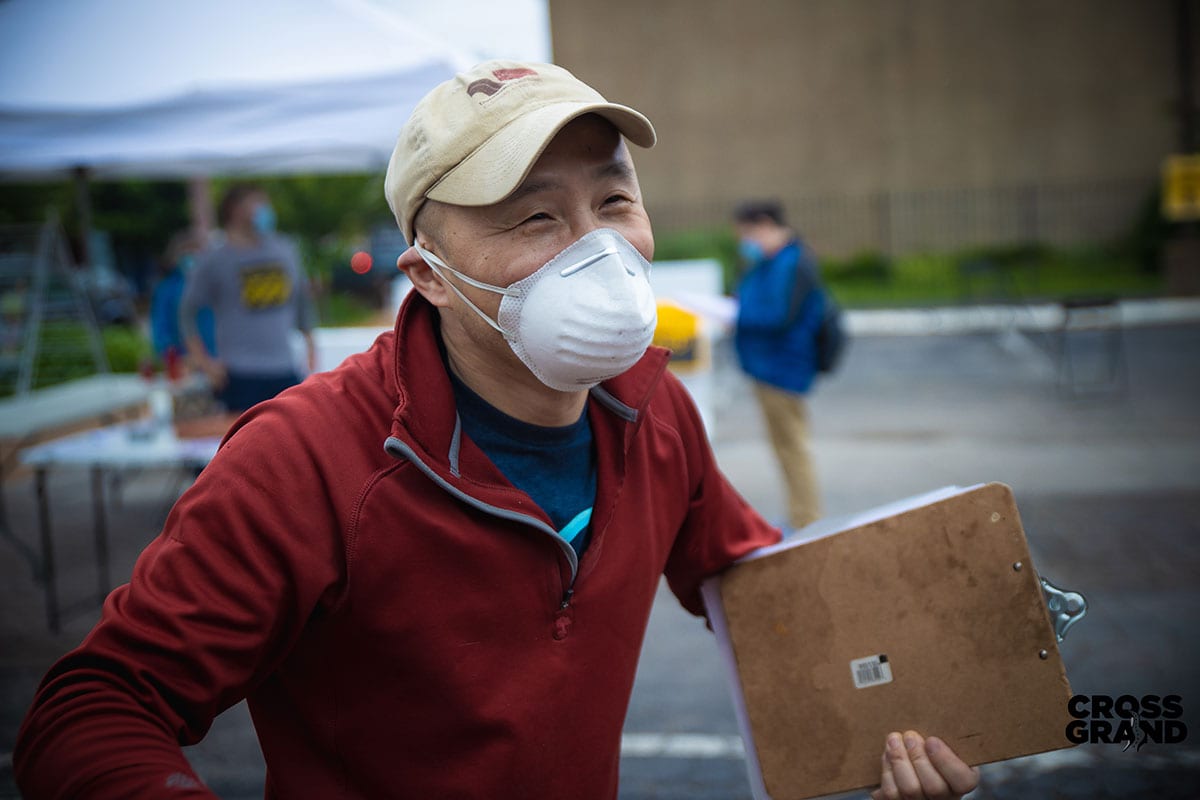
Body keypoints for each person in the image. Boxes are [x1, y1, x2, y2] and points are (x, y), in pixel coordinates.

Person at [14, 61, 978, 800]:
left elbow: (749, 576)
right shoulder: (304, 460)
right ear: (428, 273)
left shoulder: (652, 408)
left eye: (612, 201)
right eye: (534, 218)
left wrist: (920, 690)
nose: (598, 251)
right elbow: (92, 709)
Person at [178, 183, 317, 413]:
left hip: (285, 370)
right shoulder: (215, 259)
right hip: (240, 375)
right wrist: (204, 363)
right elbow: (187, 312)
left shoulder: (285, 250)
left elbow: (302, 303)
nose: (265, 210)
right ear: (234, 209)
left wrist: (311, 350)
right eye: (257, 202)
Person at [733, 200, 828, 530]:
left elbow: (777, 316)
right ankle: (800, 515)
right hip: (768, 366)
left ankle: (806, 519)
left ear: (764, 225)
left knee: (792, 446)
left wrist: (736, 316)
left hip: (782, 368)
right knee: (786, 445)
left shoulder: (790, 262)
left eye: (747, 233)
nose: (745, 242)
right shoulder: (772, 262)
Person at [149, 230, 215, 363]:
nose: (190, 255)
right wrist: (173, 356)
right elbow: (161, 327)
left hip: (219, 360)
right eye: (184, 251)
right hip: (186, 361)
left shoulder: (214, 283)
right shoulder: (166, 289)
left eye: (194, 249)